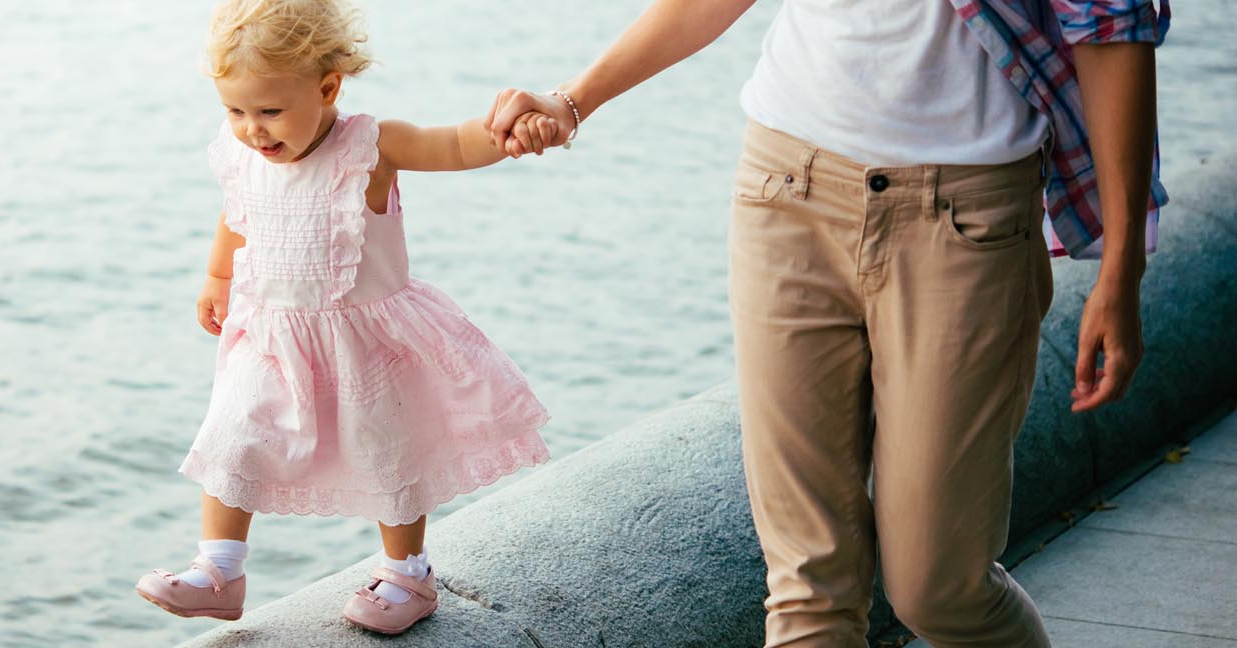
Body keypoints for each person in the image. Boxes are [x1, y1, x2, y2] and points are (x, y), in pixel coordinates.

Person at [485, 0, 1168, 646]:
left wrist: (1121, 268)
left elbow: (1111, 27)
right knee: (808, 590)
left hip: (967, 214)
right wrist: (573, 100)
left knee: (940, 588)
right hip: (787, 191)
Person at [136, 0, 560, 635]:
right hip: (272, 335)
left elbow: (450, 144)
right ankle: (219, 570)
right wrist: (218, 277)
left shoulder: (369, 145)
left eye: (270, 111)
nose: (253, 129)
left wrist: (505, 134)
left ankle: (408, 574)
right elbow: (237, 211)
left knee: (389, 453)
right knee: (234, 436)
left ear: (328, 86)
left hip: (366, 342)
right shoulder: (242, 152)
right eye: (236, 110)